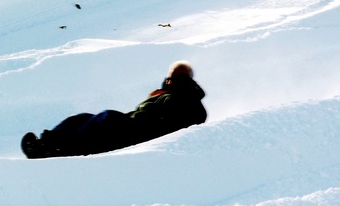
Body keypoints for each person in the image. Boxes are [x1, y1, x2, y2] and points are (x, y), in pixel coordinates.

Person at [20, 61, 207, 158]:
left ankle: (65, 149)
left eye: (175, 77)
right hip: (133, 125)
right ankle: (45, 145)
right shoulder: (163, 95)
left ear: (185, 80)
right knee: (81, 118)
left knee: (107, 117)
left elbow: (195, 115)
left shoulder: (186, 98)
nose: (169, 79)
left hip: (140, 132)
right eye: (169, 76)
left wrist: (181, 88)